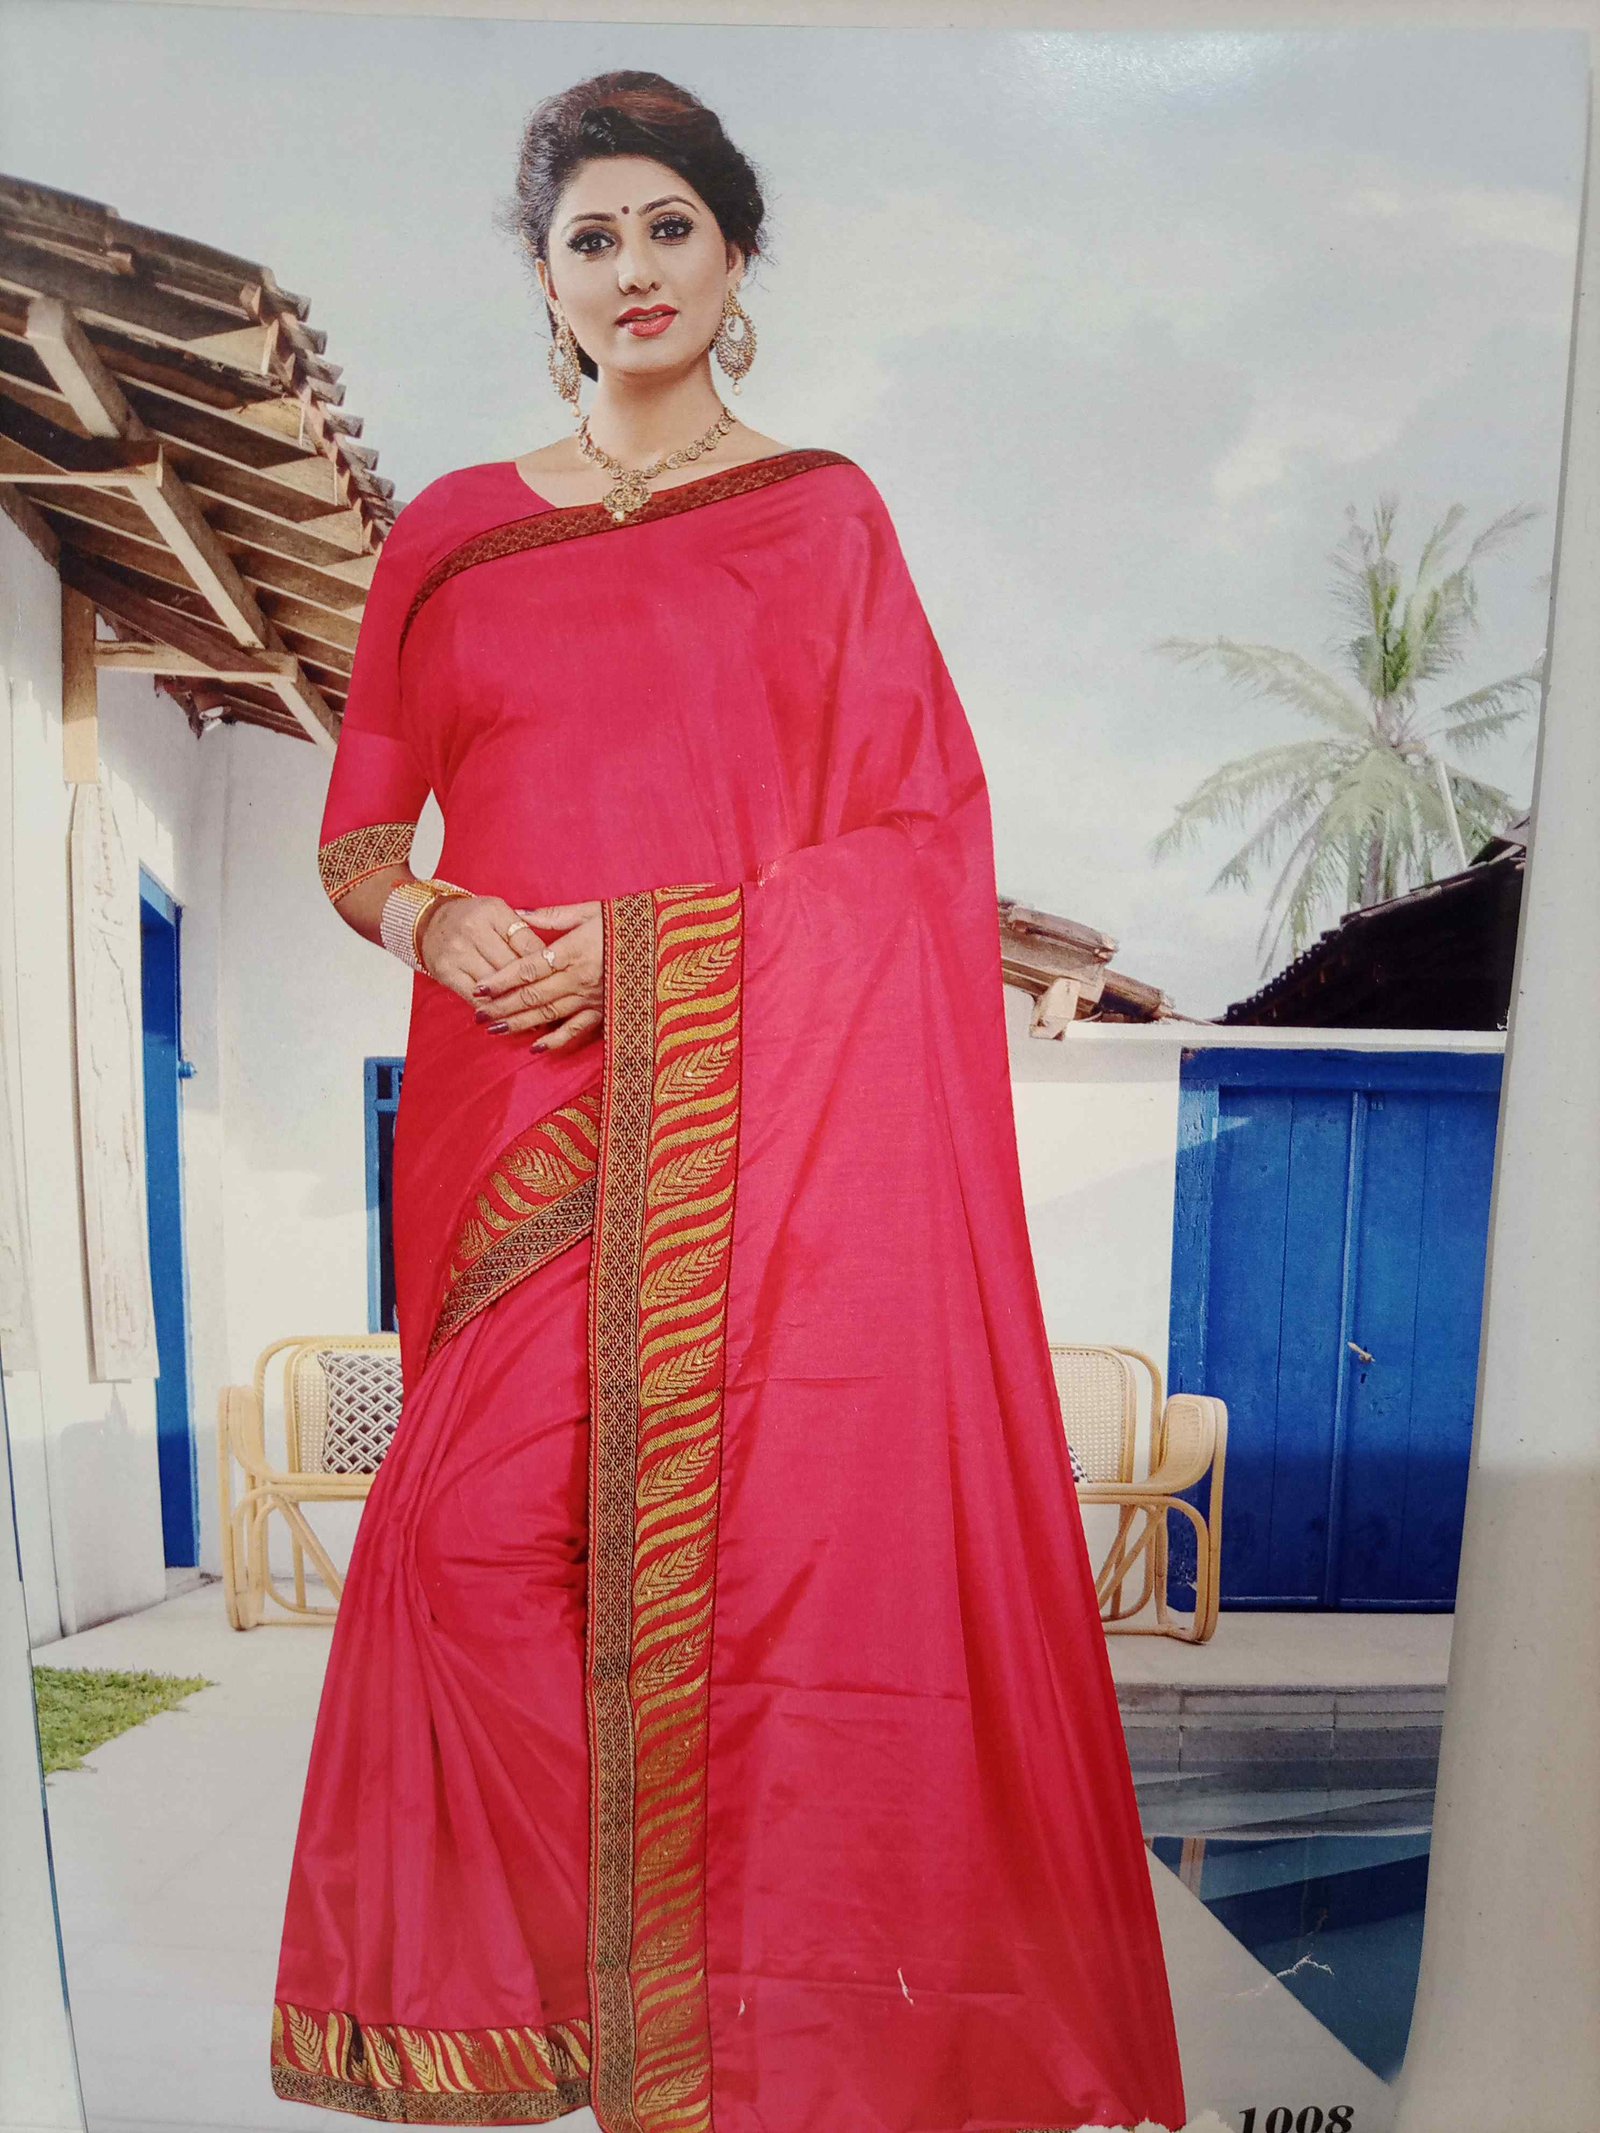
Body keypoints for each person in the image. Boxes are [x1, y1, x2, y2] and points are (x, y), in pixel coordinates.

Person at [270, 68, 1187, 2133]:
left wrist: (652, 950)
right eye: (588, 237)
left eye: (666, 226)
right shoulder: (452, 532)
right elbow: (358, 839)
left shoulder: (820, 519)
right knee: (467, 1552)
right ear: (542, 279)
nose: (632, 268)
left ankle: (716, 2034)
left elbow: (919, 844)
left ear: (735, 252)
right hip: (509, 1113)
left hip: (753, 1127)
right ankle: (592, 1995)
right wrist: (434, 918)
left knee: (759, 1572)